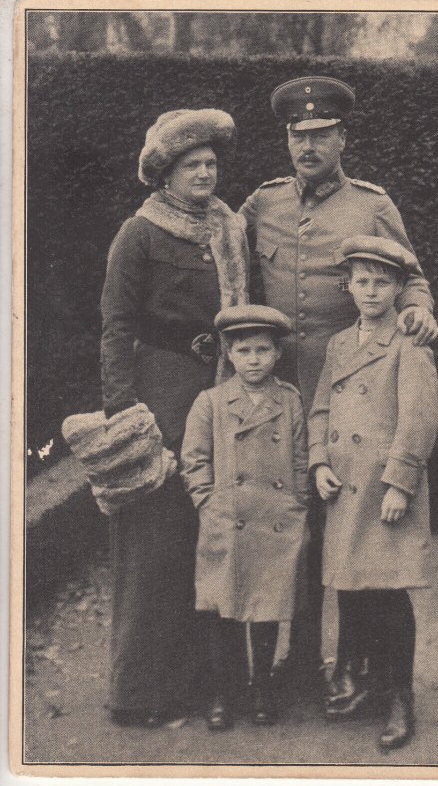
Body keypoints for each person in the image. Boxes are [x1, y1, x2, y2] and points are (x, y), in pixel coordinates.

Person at [238, 75, 438, 700]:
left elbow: (411, 277)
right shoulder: (261, 204)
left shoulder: (372, 204)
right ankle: (292, 670)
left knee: (351, 533)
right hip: (276, 394)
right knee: (285, 527)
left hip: (352, 389)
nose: (308, 145)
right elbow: (232, 280)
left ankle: (355, 667)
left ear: (342, 137)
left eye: (321, 135)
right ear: (287, 139)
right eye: (299, 135)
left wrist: (420, 310)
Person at [99, 109, 249, 727]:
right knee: (155, 542)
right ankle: (138, 693)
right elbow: (116, 326)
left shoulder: (229, 227)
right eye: (193, 165)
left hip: (219, 391)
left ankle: (210, 687)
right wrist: (124, 413)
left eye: (212, 163)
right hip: (161, 394)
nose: (205, 174)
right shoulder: (139, 234)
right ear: (164, 173)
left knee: (210, 535)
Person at [308, 234, 438, 749]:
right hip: (343, 487)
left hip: (383, 488)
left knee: (388, 593)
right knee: (351, 590)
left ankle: (400, 699)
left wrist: (400, 484)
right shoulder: (339, 343)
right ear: (347, 286)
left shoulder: (409, 341)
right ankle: (363, 682)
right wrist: (318, 462)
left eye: (382, 282)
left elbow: (420, 417)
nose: (370, 291)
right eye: (361, 281)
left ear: (399, 288)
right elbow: (321, 408)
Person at [181, 305, 309, 730]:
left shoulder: (289, 401)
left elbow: (299, 458)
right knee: (224, 608)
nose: (253, 359)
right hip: (228, 518)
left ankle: (263, 688)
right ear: (229, 355)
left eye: (262, 350)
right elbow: (195, 459)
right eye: (244, 350)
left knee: (267, 607)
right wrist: (207, 501)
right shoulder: (211, 402)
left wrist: (297, 503)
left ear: (276, 354)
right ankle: (224, 693)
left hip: (276, 517)